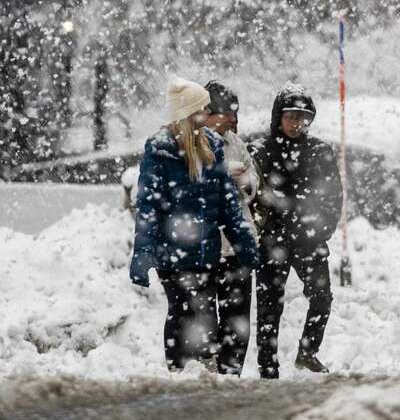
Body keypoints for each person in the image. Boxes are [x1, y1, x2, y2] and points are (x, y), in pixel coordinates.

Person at [129, 77, 261, 372]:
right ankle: (180, 370)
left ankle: (202, 375)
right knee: (182, 313)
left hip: (206, 253)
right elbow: (148, 208)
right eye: (201, 110)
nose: (207, 115)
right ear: (186, 114)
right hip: (173, 253)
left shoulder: (212, 146)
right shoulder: (160, 151)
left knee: (204, 319)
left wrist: (245, 245)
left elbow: (228, 205)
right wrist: (142, 255)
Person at [250, 84, 341, 377]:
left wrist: (321, 231)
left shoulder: (320, 151)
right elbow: (252, 196)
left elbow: (333, 197)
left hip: (309, 239)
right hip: (272, 240)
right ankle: (268, 366)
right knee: (269, 306)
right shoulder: (261, 151)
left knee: (322, 296)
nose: (296, 122)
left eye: (303, 117)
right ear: (278, 116)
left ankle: (308, 352)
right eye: (290, 116)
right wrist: (262, 230)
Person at [204, 80, 260, 376]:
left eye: (235, 113)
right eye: (228, 113)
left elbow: (253, 182)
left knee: (237, 315)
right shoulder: (192, 143)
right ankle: (206, 370)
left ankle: (232, 370)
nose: (234, 119)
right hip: (205, 242)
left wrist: (247, 184)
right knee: (203, 314)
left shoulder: (236, 143)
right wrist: (224, 178)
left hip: (236, 242)